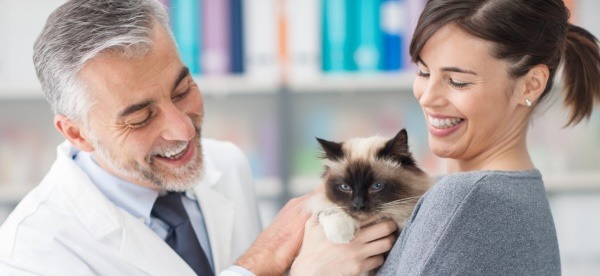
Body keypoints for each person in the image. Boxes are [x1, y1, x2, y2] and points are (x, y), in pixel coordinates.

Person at [0, 0, 397, 275]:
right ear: (77, 133)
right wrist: (255, 265)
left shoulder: (226, 164)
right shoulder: (31, 253)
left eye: (182, 88)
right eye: (140, 117)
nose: (184, 130)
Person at [339, 0, 597, 275]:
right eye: (424, 72)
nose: (427, 97)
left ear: (531, 84)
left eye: (458, 81)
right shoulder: (513, 192)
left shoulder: (467, 199)